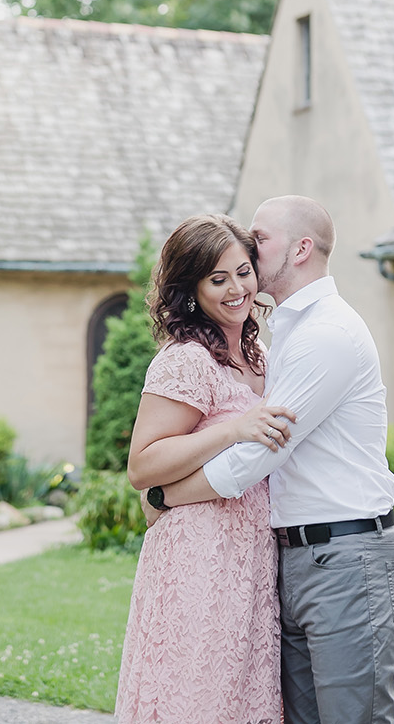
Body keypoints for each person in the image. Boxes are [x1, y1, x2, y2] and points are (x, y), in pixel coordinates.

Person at [145, 195, 394, 724]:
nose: (249, 244)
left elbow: (256, 456)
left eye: (259, 238)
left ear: (301, 250)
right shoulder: (282, 334)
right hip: (293, 558)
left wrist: (165, 495)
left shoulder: (326, 334)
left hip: (348, 555)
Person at [115, 213, 296, 724]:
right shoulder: (187, 360)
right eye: (218, 279)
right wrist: (231, 430)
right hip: (199, 553)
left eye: (243, 272)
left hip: (250, 554)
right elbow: (142, 465)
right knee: (196, 694)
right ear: (192, 289)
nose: (237, 289)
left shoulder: (258, 351)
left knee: (242, 698)